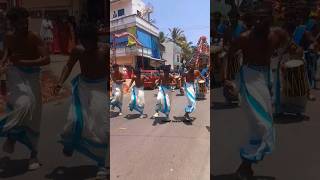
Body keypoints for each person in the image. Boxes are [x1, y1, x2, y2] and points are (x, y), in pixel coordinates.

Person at [226, 2, 289, 179]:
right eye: (257, 18)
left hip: (265, 78)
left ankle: (246, 168)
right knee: (264, 125)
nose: (260, 21)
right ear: (253, 19)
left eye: (264, 18)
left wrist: (281, 58)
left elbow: (287, 43)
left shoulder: (278, 34)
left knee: (261, 125)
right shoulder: (245, 38)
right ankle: (245, 165)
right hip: (248, 80)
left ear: (272, 18)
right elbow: (229, 55)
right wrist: (228, 79)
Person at [52, 22, 108, 179]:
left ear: (95, 39)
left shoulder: (105, 49)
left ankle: (101, 165)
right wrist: (59, 82)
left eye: (88, 41)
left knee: (100, 127)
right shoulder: (78, 50)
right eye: (82, 41)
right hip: (83, 87)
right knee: (74, 119)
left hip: (101, 88)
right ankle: (70, 143)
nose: (85, 44)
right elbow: (68, 66)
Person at [0, 7, 50, 170]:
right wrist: (3, 63)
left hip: (32, 76)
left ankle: (33, 155)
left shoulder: (33, 37)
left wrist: (25, 63)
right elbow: (7, 53)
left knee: (34, 117)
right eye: (21, 23)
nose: (25, 25)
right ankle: (11, 136)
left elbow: (46, 59)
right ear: (13, 24)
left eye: (26, 21)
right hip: (14, 74)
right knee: (23, 105)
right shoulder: (8, 37)